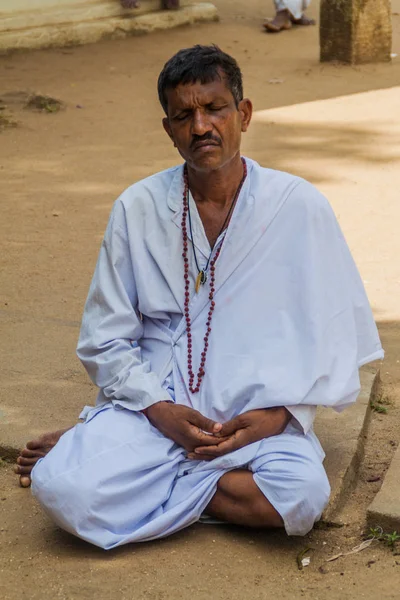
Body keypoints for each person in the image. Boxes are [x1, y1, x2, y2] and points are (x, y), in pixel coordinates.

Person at [16, 45, 383, 550]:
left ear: (244, 114)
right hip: (159, 405)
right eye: (184, 115)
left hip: (254, 415)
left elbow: (336, 335)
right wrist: (161, 411)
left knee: (299, 497)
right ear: (169, 129)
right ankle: (120, 452)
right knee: (60, 488)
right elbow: (105, 339)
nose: (201, 126)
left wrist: (279, 417)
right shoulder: (138, 207)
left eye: (215, 109)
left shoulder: (298, 206)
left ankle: (116, 459)